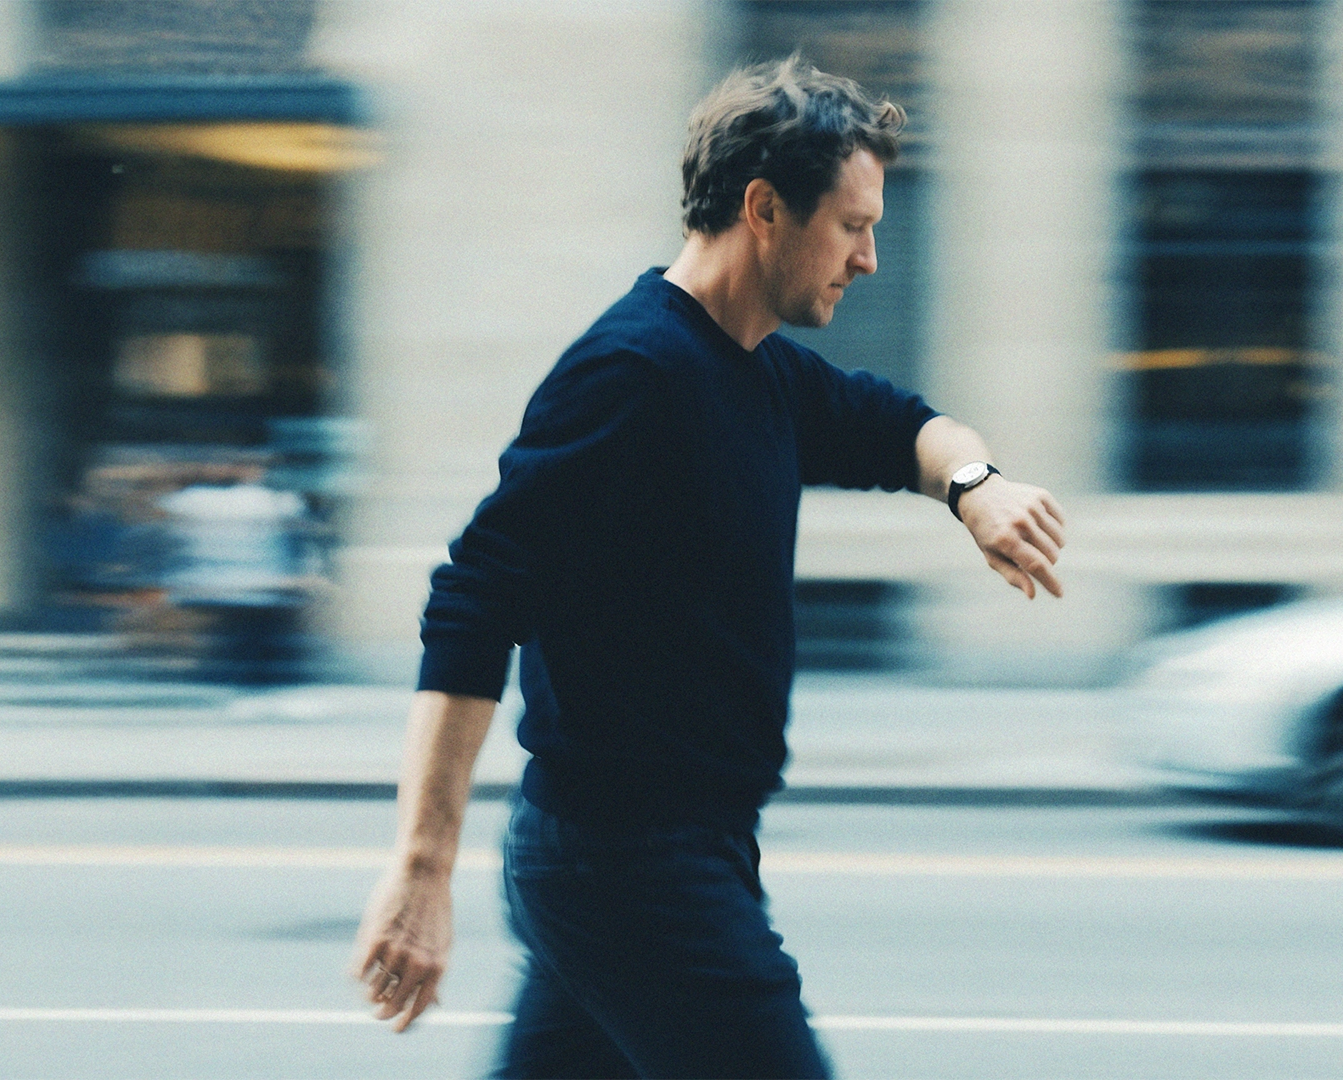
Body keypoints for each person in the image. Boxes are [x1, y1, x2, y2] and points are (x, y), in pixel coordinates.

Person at [351, 56, 1068, 1079]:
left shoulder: (761, 372)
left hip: (667, 852)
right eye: (853, 225)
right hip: (630, 865)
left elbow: (902, 426)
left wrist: (975, 486)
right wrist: (422, 870)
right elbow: (472, 600)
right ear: (765, 207)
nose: (870, 257)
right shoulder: (633, 373)